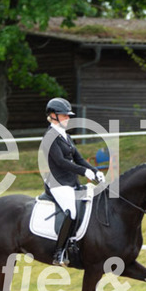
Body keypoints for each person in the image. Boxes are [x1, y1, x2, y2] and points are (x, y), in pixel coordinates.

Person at [42, 97, 105, 266]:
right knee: (72, 212)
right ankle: (59, 252)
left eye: (68, 116)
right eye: (64, 115)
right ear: (53, 116)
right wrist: (84, 171)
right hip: (58, 183)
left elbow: (79, 159)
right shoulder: (49, 137)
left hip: (71, 182)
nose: (67, 118)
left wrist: (95, 171)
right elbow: (61, 162)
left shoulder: (66, 136)